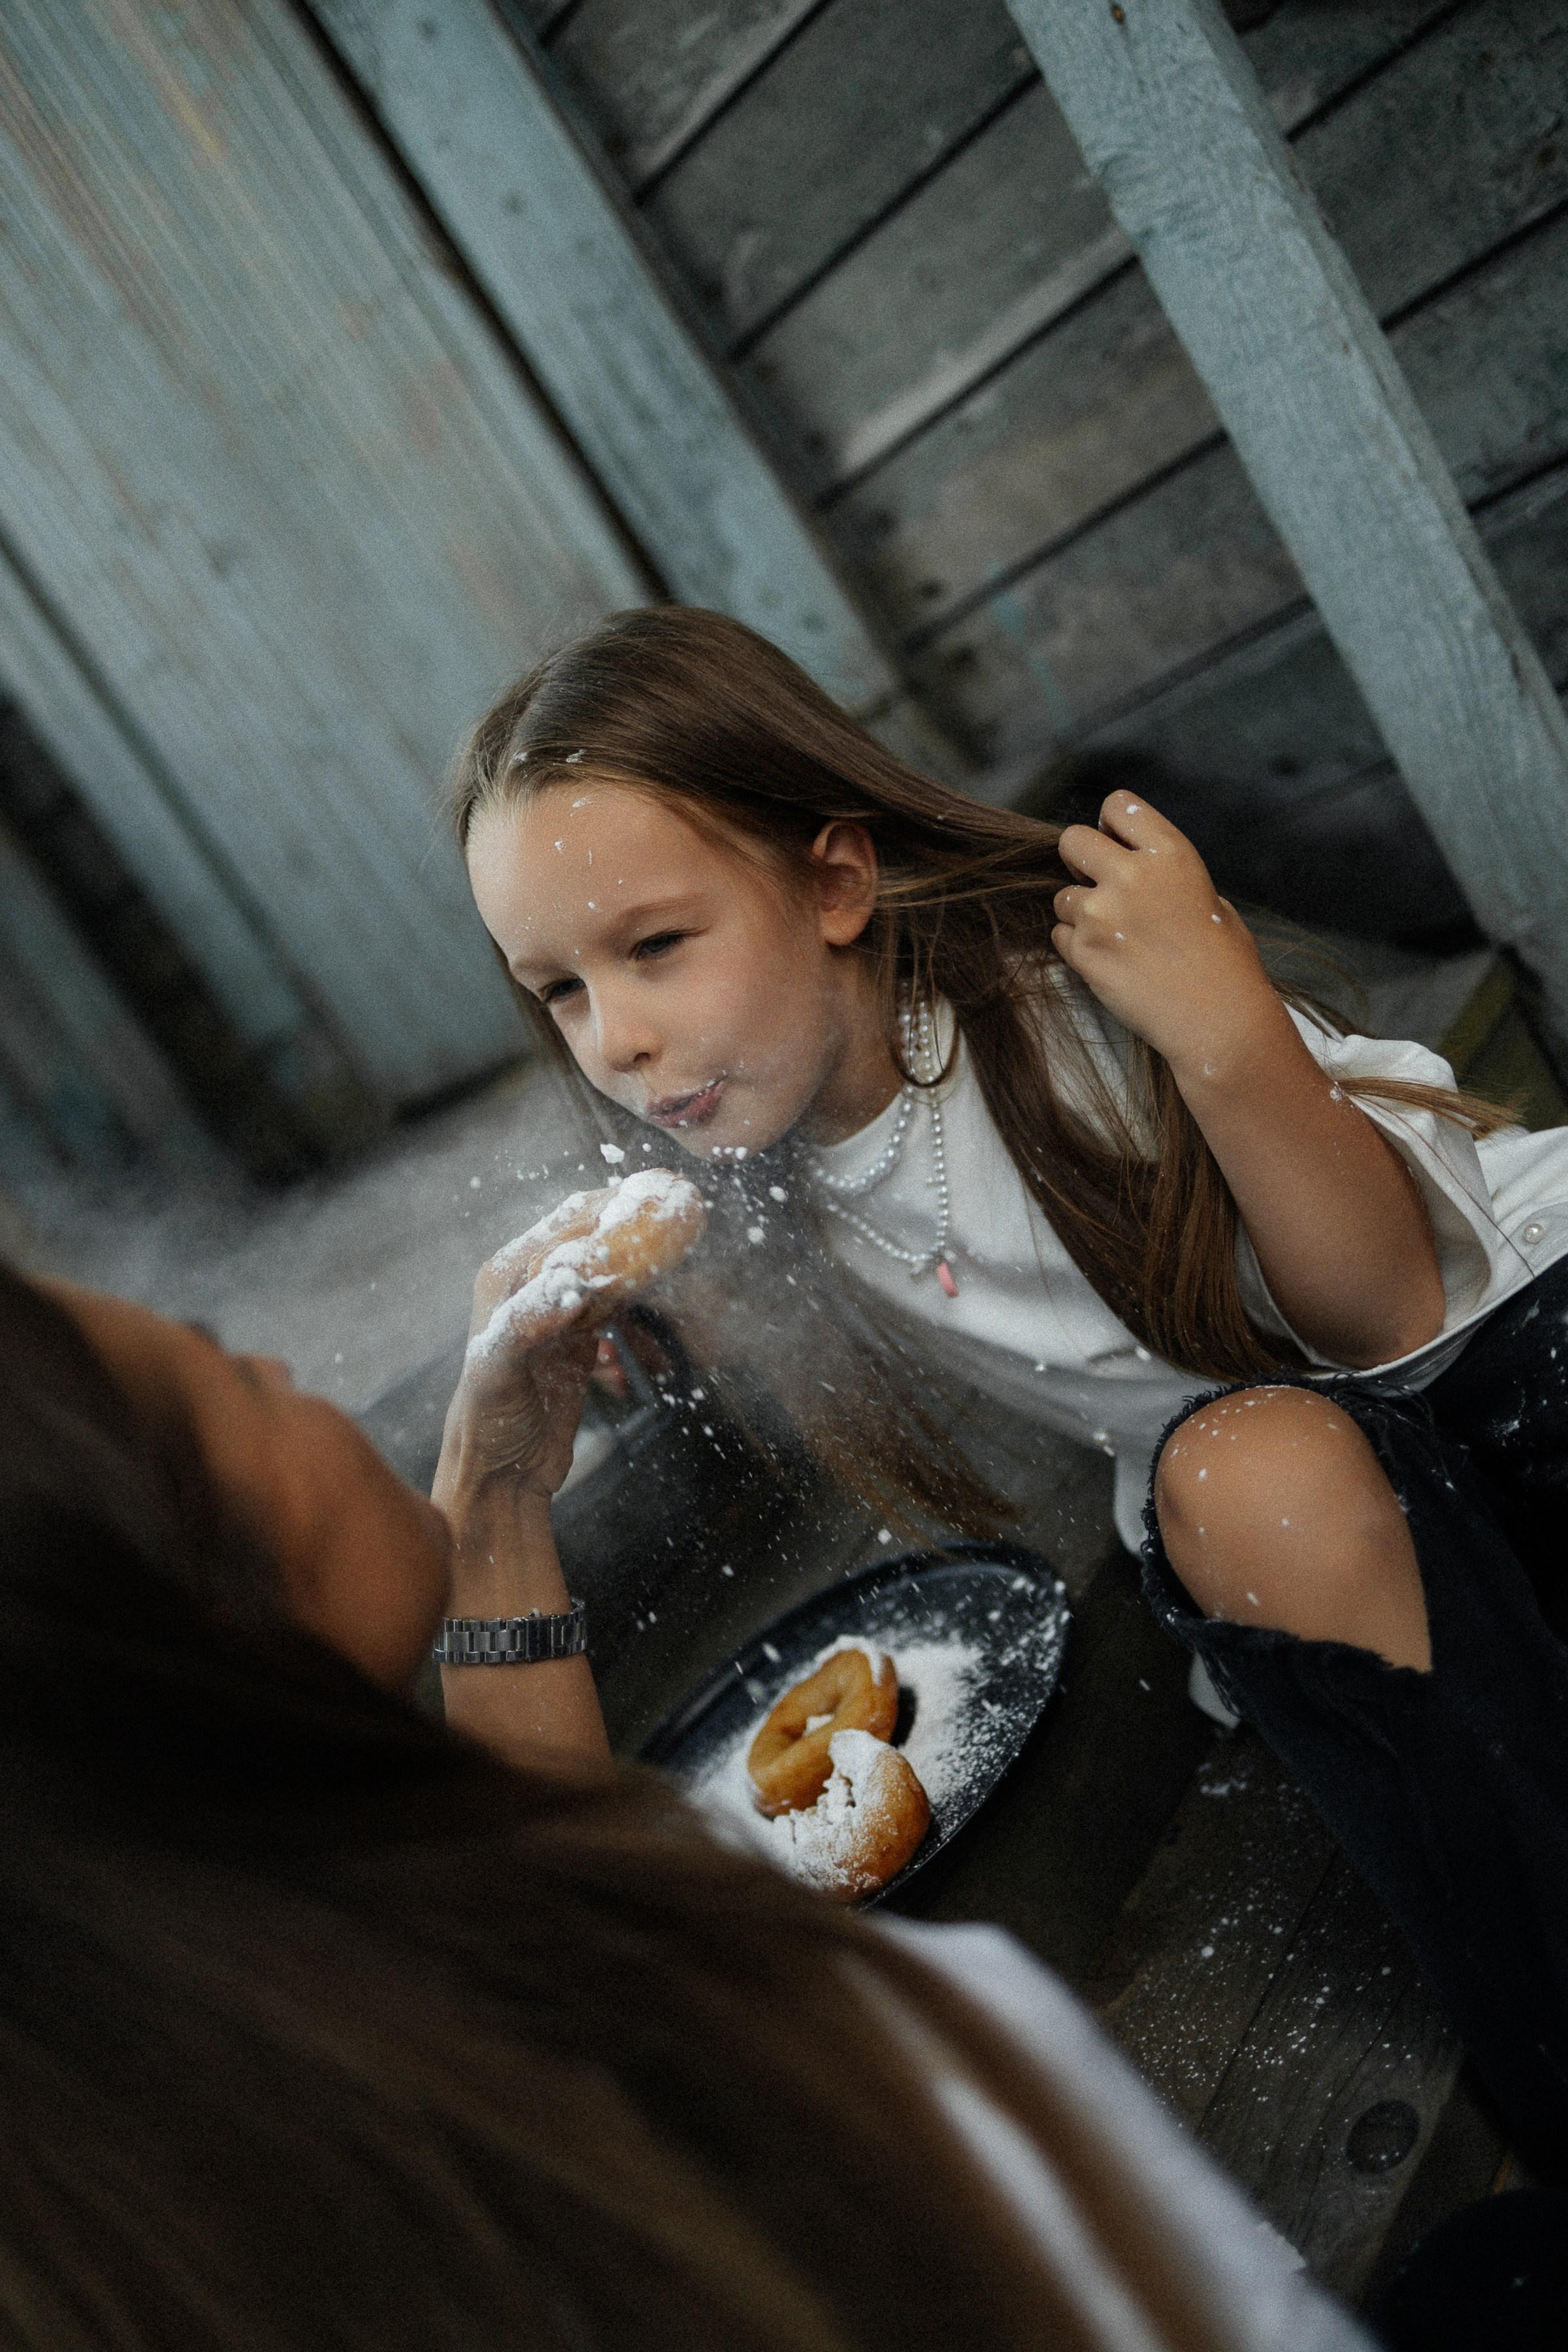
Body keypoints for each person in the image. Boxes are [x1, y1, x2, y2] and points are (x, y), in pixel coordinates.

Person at [451, 604, 1568, 2170]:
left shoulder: (1054, 1018)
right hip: (1339, 1485)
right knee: (1242, 1477)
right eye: (560, 990)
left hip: (1513, 1341)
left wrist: (1225, 1028)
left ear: (834, 882)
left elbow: (1394, 1310)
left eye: (654, 947)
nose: (619, 1040)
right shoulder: (764, 1169)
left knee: (1258, 1463)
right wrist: (645, 1337)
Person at [0, 1258, 1369, 2351]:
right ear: (216, 1631)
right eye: (226, 1371)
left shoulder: (167, 2178)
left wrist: (494, 1506)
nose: (279, 1368)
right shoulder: (797, 2069)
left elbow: (525, 1943)